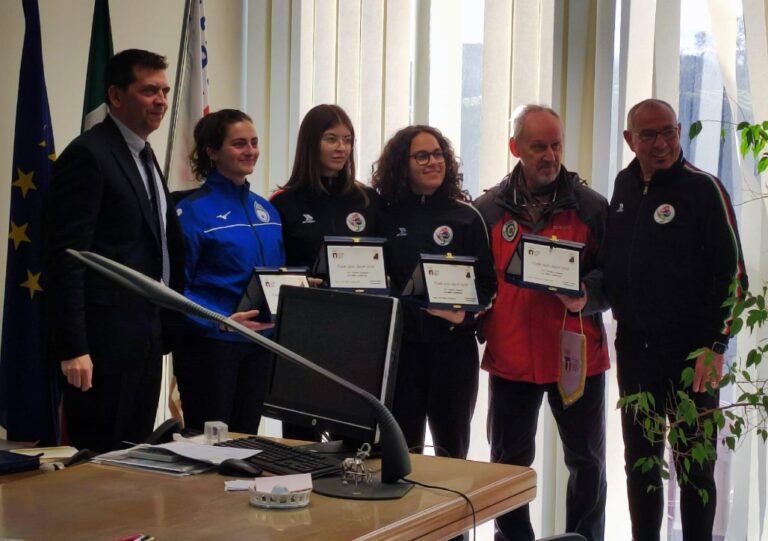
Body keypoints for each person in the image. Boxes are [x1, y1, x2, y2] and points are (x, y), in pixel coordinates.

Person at [602, 98, 747, 541]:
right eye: (649, 135)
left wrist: (715, 346)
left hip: (692, 355)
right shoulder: (624, 186)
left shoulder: (704, 189)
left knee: (695, 465)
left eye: (668, 131)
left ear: (680, 130)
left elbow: (733, 276)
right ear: (630, 140)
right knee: (640, 463)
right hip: (635, 350)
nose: (662, 143)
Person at [474, 105, 609, 541]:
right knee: (508, 467)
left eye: (556, 145)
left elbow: (615, 276)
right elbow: (475, 281)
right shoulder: (486, 209)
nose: (550, 156)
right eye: (538, 147)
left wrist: (586, 295)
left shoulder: (591, 207)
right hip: (512, 358)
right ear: (515, 148)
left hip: (577, 357)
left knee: (587, 462)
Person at [43, 49, 185, 452]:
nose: (160, 100)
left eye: (164, 91)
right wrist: (74, 348)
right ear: (116, 96)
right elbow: (67, 258)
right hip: (101, 345)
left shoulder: (144, 154)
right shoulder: (89, 155)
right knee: (100, 461)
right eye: (148, 90)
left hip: (145, 336)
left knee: (135, 455)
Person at [372, 125, 495, 459]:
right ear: (402, 164)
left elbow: (488, 285)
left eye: (438, 154)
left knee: (453, 453)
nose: (433, 162)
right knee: (401, 455)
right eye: (421, 156)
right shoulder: (383, 214)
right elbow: (370, 279)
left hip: (453, 352)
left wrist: (465, 312)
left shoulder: (467, 216)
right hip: (402, 353)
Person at [270, 103, 380, 441]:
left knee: (357, 444)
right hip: (305, 335)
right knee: (301, 443)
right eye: (331, 139)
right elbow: (273, 272)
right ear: (310, 144)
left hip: (359, 336)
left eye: (347, 140)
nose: (341, 148)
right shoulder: (282, 203)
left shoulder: (368, 199)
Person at [172, 109, 284, 435]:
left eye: (254, 142)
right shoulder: (191, 212)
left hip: (260, 345)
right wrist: (218, 322)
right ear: (212, 151)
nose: (250, 151)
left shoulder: (268, 210)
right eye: (239, 144)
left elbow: (275, 275)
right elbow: (176, 289)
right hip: (210, 347)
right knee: (209, 446)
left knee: (245, 442)